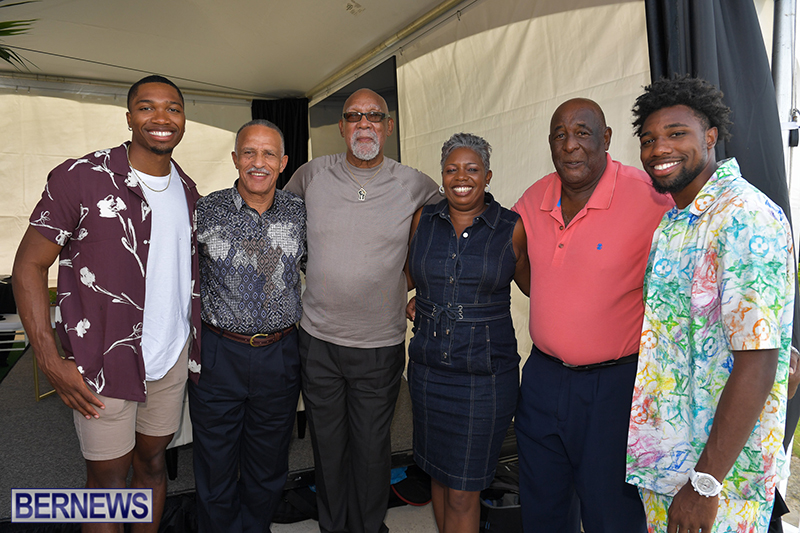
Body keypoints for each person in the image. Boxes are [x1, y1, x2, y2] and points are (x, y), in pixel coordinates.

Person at [12, 75, 200, 533]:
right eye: (147, 107)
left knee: (153, 465)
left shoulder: (189, 190)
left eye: (172, 108)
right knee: (107, 482)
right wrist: (50, 360)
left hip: (169, 357)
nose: (161, 118)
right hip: (104, 361)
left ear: (183, 119)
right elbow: (28, 267)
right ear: (129, 116)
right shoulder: (83, 177)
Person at [626, 76, 795, 533]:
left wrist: (704, 483)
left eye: (676, 133)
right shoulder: (674, 224)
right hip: (666, 463)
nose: (659, 148)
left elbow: (758, 360)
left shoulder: (745, 217)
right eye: (648, 139)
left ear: (711, 136)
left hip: (720, 482)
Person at [512, 98, 673, 532]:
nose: (571, 146)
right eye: (560, 135)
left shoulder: (651, 197)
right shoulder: (536, 195)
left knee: (611, 515)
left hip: (614, 386)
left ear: (606, 139)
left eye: (583, 133)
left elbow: (701, 267)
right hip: (543, 379)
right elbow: (503, 257)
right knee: (543, 508)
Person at [284, 88, 439, 533]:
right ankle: (334, 526)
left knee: (372, 448)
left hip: (380, 343)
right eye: (355, 116)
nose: (365, 124)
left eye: (375, 116)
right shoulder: (311, 175)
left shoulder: (415, 183)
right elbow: (279, 222)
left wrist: (417, 286)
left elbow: (444, 233)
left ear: (388, 126)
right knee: (328, 447)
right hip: (318, 340)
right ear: (342, 127)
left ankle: (369, 527)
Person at [404, 132, 529, 532]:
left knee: (463, 489)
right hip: (427, 372)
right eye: (452, 169)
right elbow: (410, 275)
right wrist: (416, 300)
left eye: (472, 169)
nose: (462, 177)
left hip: (485, 378)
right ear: (441, 176)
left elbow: (538, 289)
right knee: (439, 476)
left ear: (488, 176)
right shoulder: (423, 220)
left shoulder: (512, 228)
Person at [189, 119, 305, 532]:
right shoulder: (205, 210)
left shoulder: (299, 212)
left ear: (284, 162)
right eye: (250, 153)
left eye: (269, 153)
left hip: (280, 354)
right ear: (236, 159)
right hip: (219, 353)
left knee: (269, 461)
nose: (259, 162)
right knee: (215, 461)